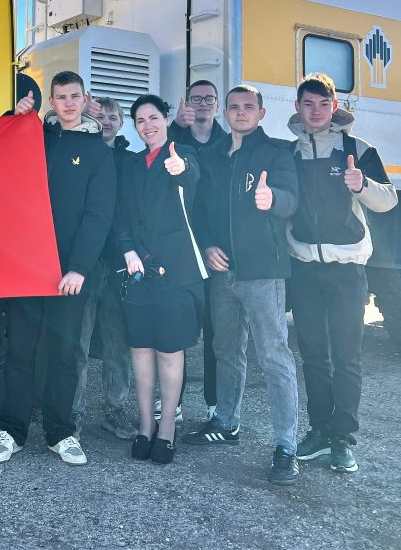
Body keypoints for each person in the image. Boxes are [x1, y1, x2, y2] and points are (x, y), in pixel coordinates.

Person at [0, 71, 116, 466]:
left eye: (75, 96)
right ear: (52, 102)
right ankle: (12, 431)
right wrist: (13, 116)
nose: (69, 103)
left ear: (85, 99)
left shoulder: (98, 151)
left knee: (64, 354)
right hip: (27, 267)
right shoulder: (34, 137)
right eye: (61, 97)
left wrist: (79, 268)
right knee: (19, 351)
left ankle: (61, 433)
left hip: (68, 275)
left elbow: (98, 215)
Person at [182, 85, 302, 485]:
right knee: (225, 350)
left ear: (261, 113)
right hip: (223, 272)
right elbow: (198, 211)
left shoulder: (276, 153)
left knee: (274, 356)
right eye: (233, 107)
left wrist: (274, 199)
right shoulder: (212, 156)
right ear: (225, 113)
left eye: (249, 107)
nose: (240, 112)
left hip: (263, 272)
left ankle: (285, 446)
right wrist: (207, 245)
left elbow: (291, 199)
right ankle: (226, 422)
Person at [285, 73, 398, 474]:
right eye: (308, 104)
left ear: (334, 107)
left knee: (347, 358)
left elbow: (389, 199)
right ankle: (319, 432)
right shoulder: (290, 154)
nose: (315, 111)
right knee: (314, 357)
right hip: (304, 269)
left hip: (348, 269)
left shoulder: (357, 149)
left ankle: (343, 440)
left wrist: (362, 184)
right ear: (298, 108)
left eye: (323, 104)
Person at [113, 94, 207, 464]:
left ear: (166, 118)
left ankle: (167, 426)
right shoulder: (131, 165)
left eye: (153, 117)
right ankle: (144, 424)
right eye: (140, 120)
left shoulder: (182, 154)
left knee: (169, 350)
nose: (147, 126)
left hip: (176, 272)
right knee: (140, 349)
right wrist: (126, 249)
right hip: (138, 270)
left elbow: (190, 173)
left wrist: (179, 166)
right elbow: (119, 212)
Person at [71, 96, 137, 441]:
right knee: (78, 342)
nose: (108, 121)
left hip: (117, 263)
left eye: (114, 117)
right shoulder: (82, 154)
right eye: (103, 116)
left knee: (117, 342)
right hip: (84, 261)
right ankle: (73, 413)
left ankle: (116, 410)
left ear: (122, 123)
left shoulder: (130, 161)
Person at [164, 79, 223, 424]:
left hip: (215, 250)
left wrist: (215, 243)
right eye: (196, 98)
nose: (202, 104)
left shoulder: (227, 144)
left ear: (217, 105)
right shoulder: (175, 140)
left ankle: (215, 403)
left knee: (217, 333)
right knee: (179, 330)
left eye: (208, 98)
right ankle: (174, 402)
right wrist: (175, 126)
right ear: (186, 103)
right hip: (182, 248)